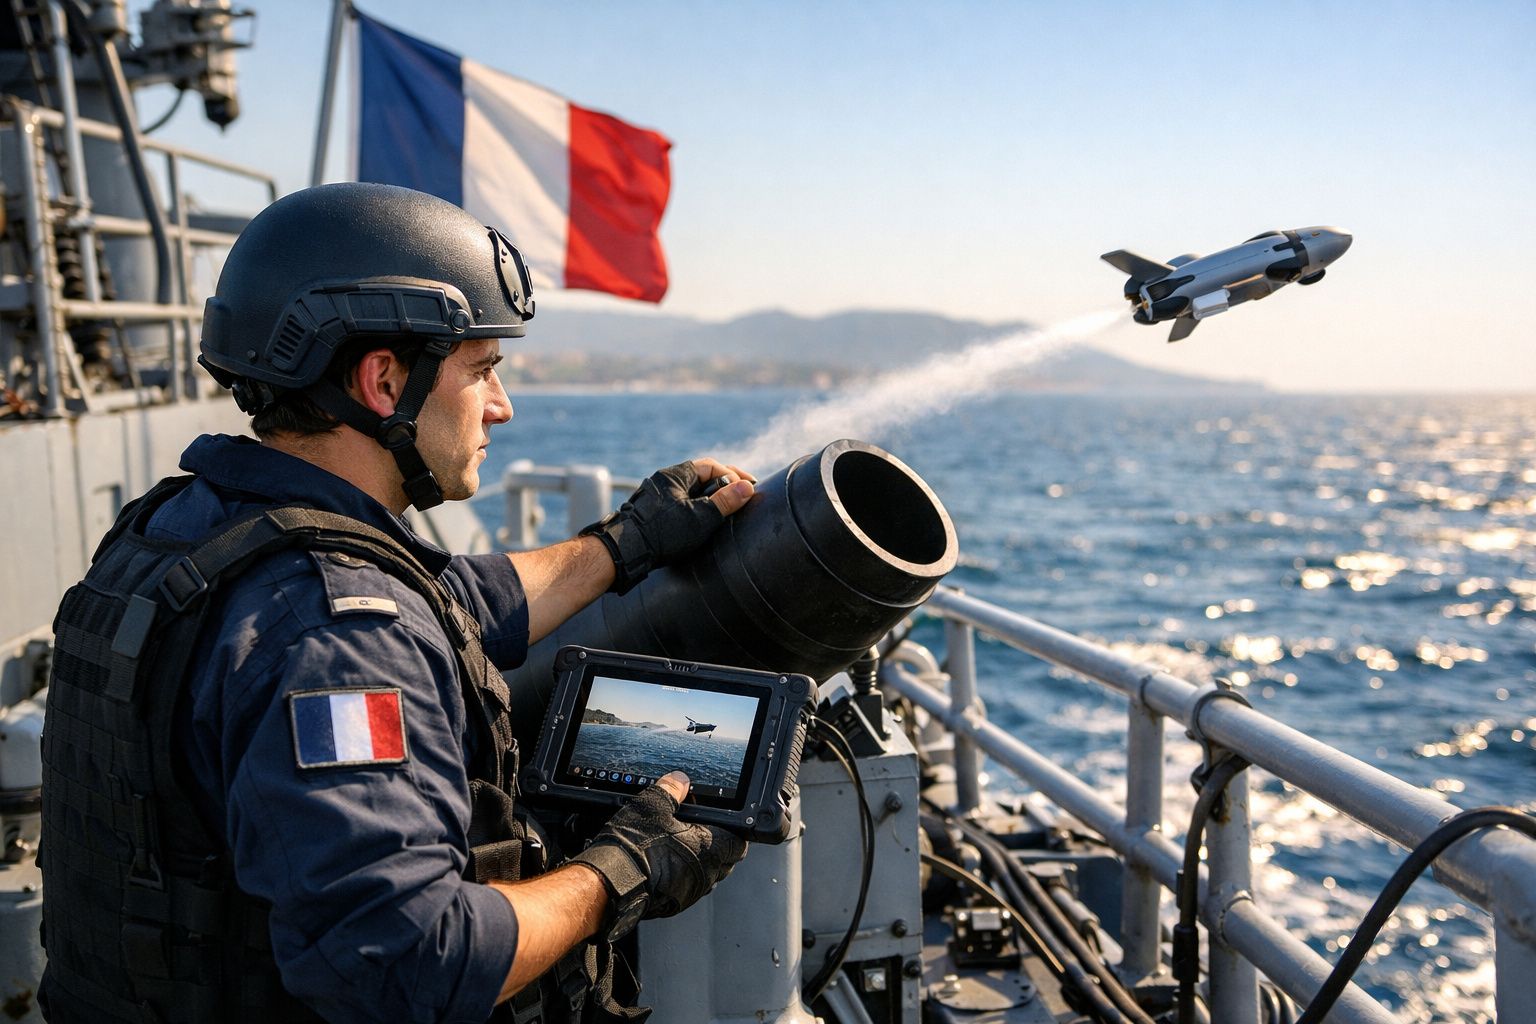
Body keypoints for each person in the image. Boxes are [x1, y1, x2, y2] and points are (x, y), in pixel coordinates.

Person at [39, 182, 754, 1024]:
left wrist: (626, 541)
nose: (502, 405)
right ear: (384, 381)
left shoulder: (186, 528)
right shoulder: (332, 631)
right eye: (482, 371)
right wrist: (619, 871)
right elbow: (414, 960)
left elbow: (452, 602)